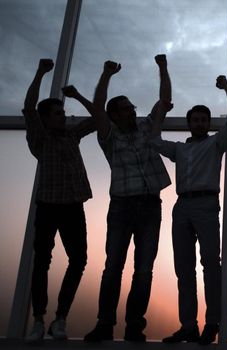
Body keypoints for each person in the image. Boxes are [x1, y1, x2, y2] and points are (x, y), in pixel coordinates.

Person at [84, 55, 172, 343]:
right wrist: (107, 74)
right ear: (114, 115)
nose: (132, 112)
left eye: (132, 108)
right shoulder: (108, 135)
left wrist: (162, 68)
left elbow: (164, 100)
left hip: (149, 205)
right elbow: (98, 107)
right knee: (113, 268)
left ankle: (134, 324)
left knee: (144, 269)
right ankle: (105, 324)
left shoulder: (147, 126)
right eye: (125, 110)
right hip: (121, 207)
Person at [150, 75, 227, 345]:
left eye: (204, 120)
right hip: (182, 207)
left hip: (206, 205)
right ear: (189, 123)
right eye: (195, 120)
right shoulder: (180, 150)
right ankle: (188, 325)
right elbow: (154, 140)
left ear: (208, 123)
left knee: (211, 264)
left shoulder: (215, 144)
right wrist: (160, 113)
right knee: (183, 268)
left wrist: (226, 88)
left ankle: (212, 323)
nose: (200, 123)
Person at [23, 59, 96, 342]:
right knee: (42, 260)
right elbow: (29, 108)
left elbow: (97, 117)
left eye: (63, 112)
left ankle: (60, 318)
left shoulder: (71, 135)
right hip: (48, 206)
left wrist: (78, 96)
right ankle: (39, 320)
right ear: (45, 119)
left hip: (73, 207)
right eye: (57, 113)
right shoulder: (39, 138)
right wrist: (40, 73)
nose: (63, 116)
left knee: (78, 260)